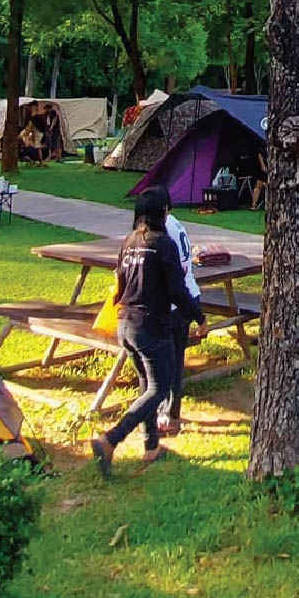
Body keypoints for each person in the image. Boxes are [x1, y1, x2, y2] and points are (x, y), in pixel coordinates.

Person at [91, 190, 205, 478]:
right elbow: (178, 291)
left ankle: (151, 446)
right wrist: (199, 317)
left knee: (147, 385)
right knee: (160, 388)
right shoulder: (162, 243)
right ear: (163, 211)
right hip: (150, 326)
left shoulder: (129, 242)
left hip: (125, 324)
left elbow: (119, 281)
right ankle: (111, 439)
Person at [160, 203, 205, 435]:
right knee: (172, 359)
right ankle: (167, 411)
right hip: (187, 296)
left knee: (171, 361)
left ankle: (169, 414)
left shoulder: (164, 230)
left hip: (178, 302)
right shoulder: (176, 223)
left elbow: (173, 276)